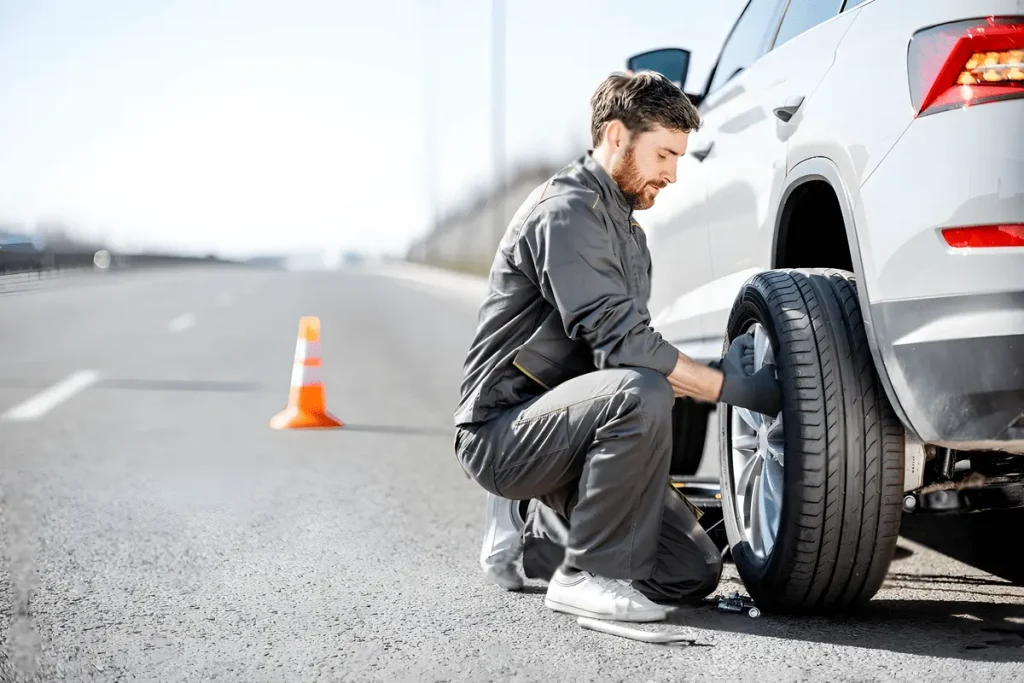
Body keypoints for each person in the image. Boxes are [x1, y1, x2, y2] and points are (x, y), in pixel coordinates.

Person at [453, 70, 781, 623]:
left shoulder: (629, 234)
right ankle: (586, 575)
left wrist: (703, 376)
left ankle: (550, 534)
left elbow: (618, 356)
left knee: (689, 571)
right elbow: (626, 352)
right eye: (663, 155)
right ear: (615, 137)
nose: (673, 174)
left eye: (679, 158)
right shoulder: (566, 212)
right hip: (500, 431)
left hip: (568, 432)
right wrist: (729, 387)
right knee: (640, 391)